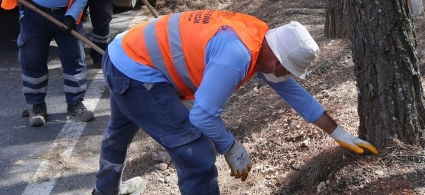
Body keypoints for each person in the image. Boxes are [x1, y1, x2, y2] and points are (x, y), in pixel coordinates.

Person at [90, 10, 378, 195]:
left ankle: (104, 191)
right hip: (136, 72)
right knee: (199, 155)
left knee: (119, 132)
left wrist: (338, 133)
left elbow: (293, 93)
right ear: (277, 60)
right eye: (288, 70)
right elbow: (202, 117)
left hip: (123, 52)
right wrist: (231, 146)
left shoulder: (258, 38)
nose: (287, 77)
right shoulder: (238, 56)